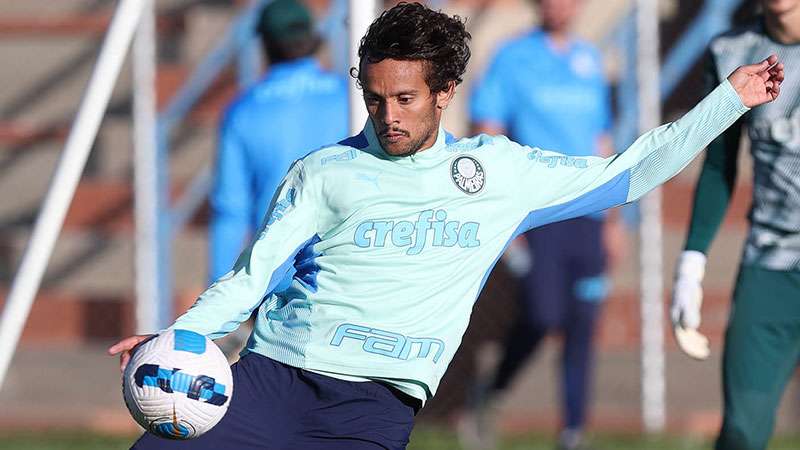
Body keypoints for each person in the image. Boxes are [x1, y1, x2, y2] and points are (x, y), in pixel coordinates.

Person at [108, 3, 782, 449]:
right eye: (375, 99)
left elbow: (636, 168)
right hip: (270, 377)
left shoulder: (499, 174)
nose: (388, 115)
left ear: (444, 93)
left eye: (405, 98)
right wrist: (183, 336)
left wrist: (729, 100)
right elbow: (250, 278)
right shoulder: (325, 171)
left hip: (373, 405)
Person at [459, 1, 618, 448]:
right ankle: (493, 390)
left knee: (583, 323)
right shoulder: (512, 57)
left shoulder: (589, 59)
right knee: (543, 312)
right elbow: (488, 131)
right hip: (541, 213)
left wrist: (613, 221)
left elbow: (600, 141)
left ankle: (573, 431)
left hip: (589, 212)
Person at [670, 1, 798, 449]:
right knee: (742, 433)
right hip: (772, 263)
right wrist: (692, 260)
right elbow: (719, 163)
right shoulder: (732, 51)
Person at [210, 0, 348, 283]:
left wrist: (215, 301)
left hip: (277, 279)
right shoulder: (351, 98)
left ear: (265, 45)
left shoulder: (242, 112)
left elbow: (230, 211)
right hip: (347, 269)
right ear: (313, 38)